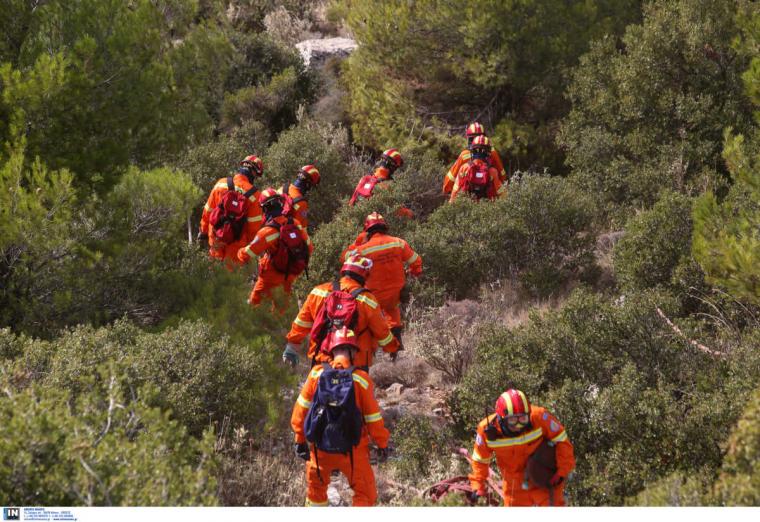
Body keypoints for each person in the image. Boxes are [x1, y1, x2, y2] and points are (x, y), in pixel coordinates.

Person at [291, 326, 390, 507]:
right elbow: (373, 418)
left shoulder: (316, 374)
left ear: (332, 350)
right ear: (353, 351)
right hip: (353, 451)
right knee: (364, 494)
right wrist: (382, 444)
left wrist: (299, 439)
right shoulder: (361, 379)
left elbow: (301, 409)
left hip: (320, 450)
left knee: (315, 494)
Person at [283, 255, 399, 370]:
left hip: (321, 360)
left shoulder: (318, 292)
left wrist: (292, 345)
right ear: (365, 276)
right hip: (355, 363)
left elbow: (301, 323)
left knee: (318, 388)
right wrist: (392, 348)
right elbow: (382, 332)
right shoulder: (367, 300)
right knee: (356, 389)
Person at [468, 389, 575, 507]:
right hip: (514, 486)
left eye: (523, 419)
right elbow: (480, 459)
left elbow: (562, 441)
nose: (519, 425)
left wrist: (561, 472)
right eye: (513, 420)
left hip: (544, 478)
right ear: (500, 418)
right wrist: (478, 485)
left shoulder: (539, 417)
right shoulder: (486, 431)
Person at [341, 212, 422, 348]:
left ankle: (372, 348)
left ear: (367, 230)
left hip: (373, 296)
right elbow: (416, 261)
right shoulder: (399, 243)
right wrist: (413, 272)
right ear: (385, 227)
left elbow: (345, 258)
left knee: (369, 320)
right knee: (393, 314)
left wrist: (357, 242)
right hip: (395, 294)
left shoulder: (362, 250)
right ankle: (396, 349)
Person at [237, 188, 312, 312]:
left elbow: (248, 253)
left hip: (270, 277)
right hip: (290, 275)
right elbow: (309, 247)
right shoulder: (295, 223)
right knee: (280, 310)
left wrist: (239, 252)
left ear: (265, 209)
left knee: (253, 306)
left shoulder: (267, 231)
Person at [198, 155, 264, 266]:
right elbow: (253, 228)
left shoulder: (221, 183)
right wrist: (247, 250)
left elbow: (208, 211)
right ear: (253, 172)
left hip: (216, 236)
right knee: (231, 279)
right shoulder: (256, 195)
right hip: (237, 245)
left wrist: (204, 231)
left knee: (214, 271)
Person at [443, 122, 507, 194]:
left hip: (468, 197)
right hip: (488, 198)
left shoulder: (464, 155)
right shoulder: (493, 152)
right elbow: (502, 176)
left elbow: (451, 177)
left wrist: (447, 189)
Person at [349, 149, 414, 218]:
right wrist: (409, 213)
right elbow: (394, 210)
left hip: (353, 220)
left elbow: (352, 202)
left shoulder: (365, 178)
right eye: (395, 168)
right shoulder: (388, 184)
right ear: (392, 167)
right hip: (372, 224)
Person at [449, 135, 505, 202]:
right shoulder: (493, 172)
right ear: (488, 153)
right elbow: (502, 194)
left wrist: (451, 207)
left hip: (467, 208)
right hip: (486, 209)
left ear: (472, 152)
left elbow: (455, 190)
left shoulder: (464, 168)